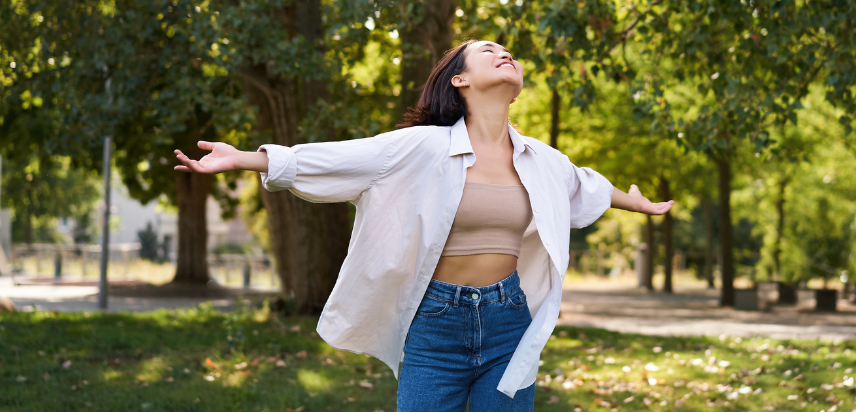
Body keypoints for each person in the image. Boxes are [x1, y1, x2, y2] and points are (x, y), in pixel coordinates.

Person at [173, 40, 674, 411]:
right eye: (488, 51)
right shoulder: (420, 147)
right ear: (459, 80)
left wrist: (632, 202)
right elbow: (337, 159)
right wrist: (245, 158)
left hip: (509, 322)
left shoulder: (541, 159)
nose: (505, 54)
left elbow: (582, 185)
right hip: (435, 324)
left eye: (508, 53)